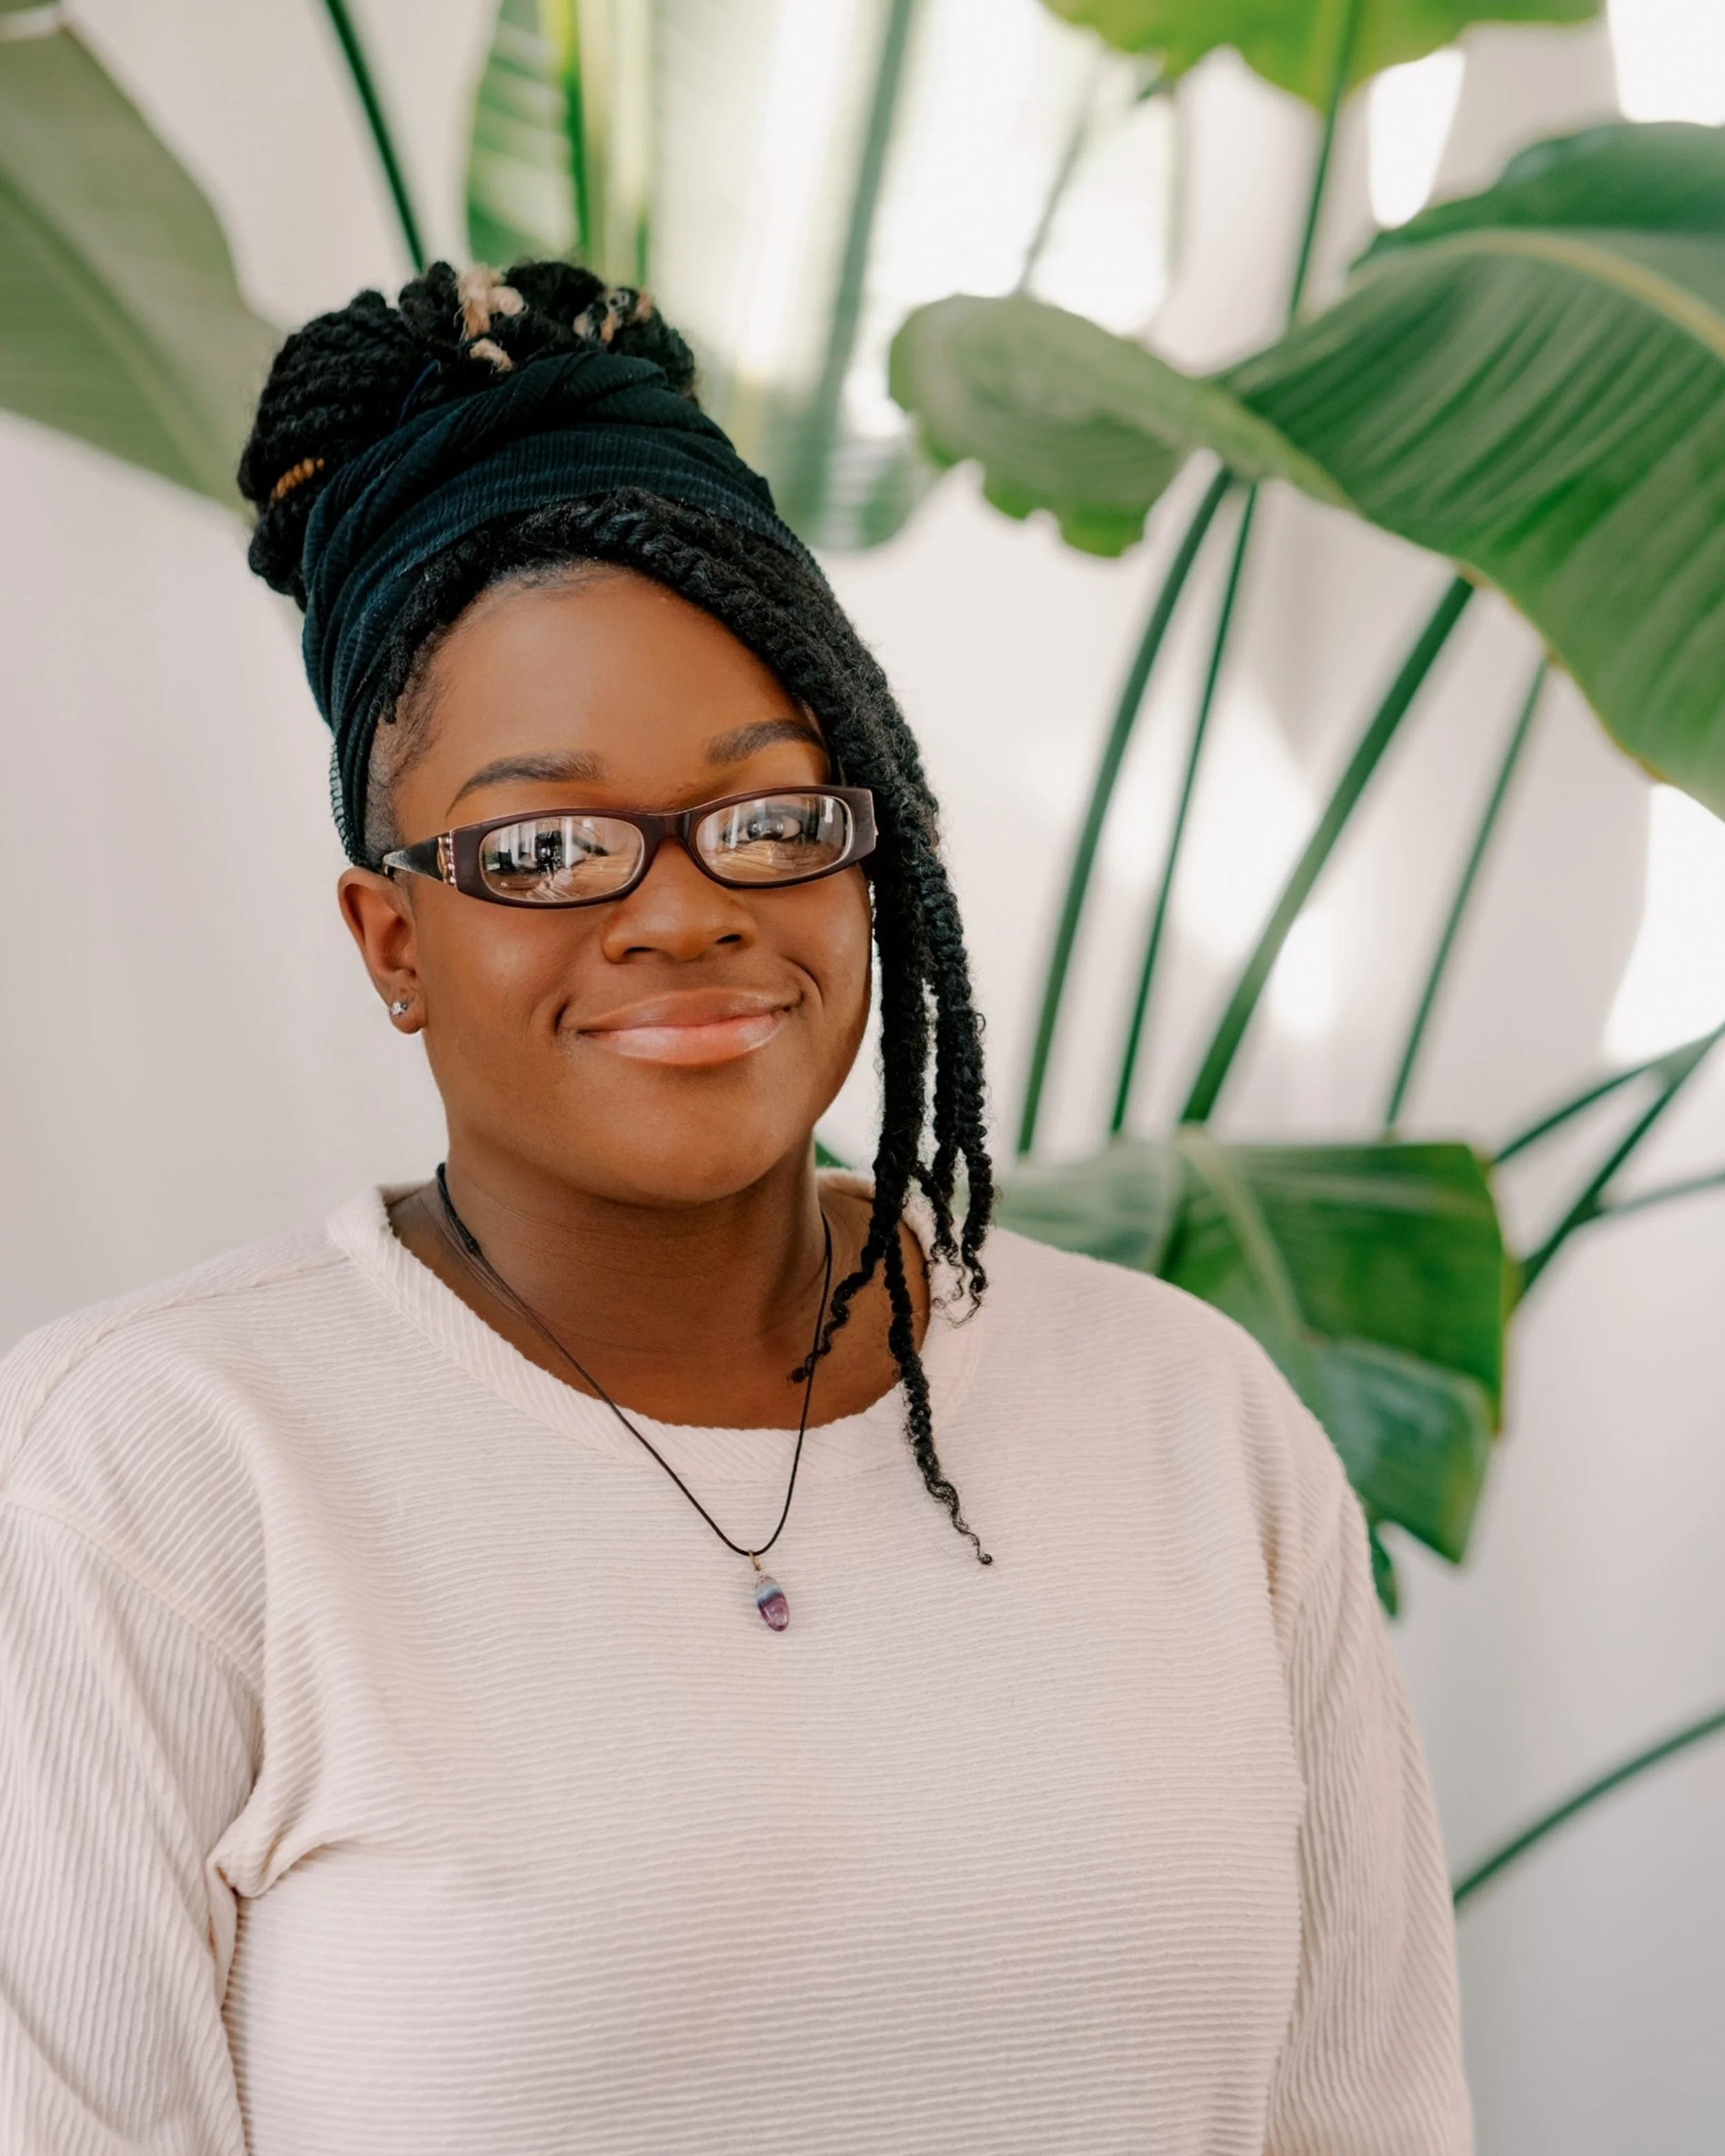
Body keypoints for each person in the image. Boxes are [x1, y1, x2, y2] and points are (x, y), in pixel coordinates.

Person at [0, 261, 1470, 2156]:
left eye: (769, 819)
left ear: (870, 857)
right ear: (393, 940)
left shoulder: (1191, 1421)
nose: (684, 909)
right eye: (543, 844)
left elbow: (1371, 2117)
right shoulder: (148, 1478)